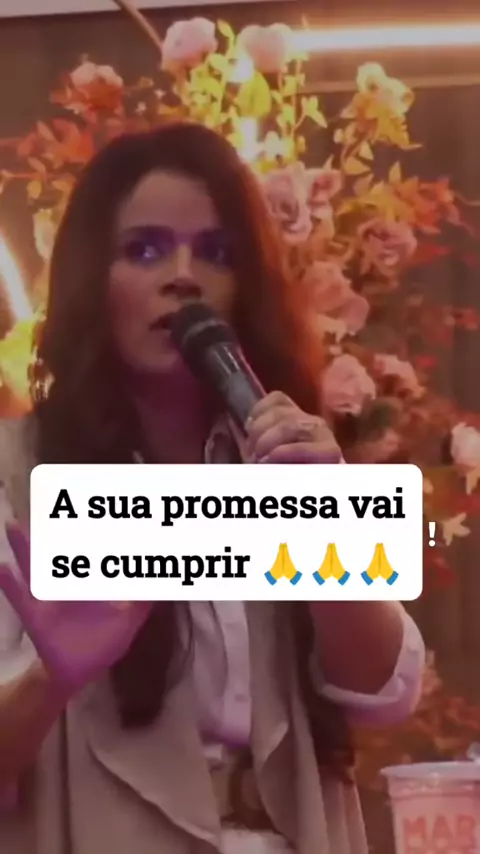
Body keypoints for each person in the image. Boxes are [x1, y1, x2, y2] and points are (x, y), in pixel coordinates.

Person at [0, 121, 425, 854]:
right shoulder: (20, 472)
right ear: (89, 278)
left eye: (217, 252)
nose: (184, 275)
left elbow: (385, 693)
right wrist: (53, 679)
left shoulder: (285, 456)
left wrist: (326, 525)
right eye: (144, 249)